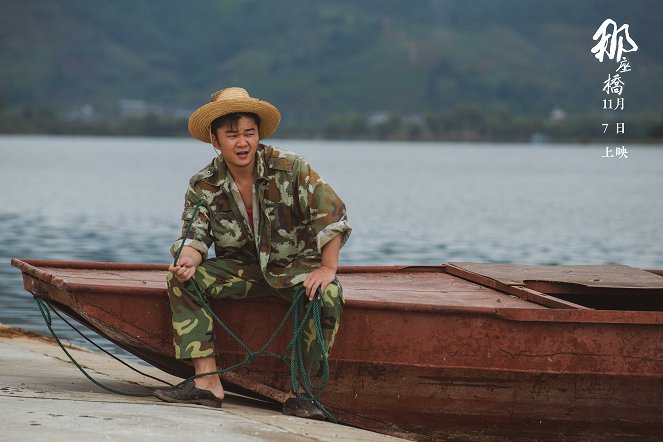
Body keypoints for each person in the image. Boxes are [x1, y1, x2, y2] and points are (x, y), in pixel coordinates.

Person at [153, 87, 351, 420]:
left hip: (294, 270)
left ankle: (301, 394)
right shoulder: (203, 184)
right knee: (182, 281)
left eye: (249, 133)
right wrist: (187, 259)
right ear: (216, 141)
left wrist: (328, 268)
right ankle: (207, 382)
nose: (242, 142)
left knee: (328, 293)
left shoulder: (290, 168)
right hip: (241, 270)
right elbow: (194, 235)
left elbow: (332, 214)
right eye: (232, 135)